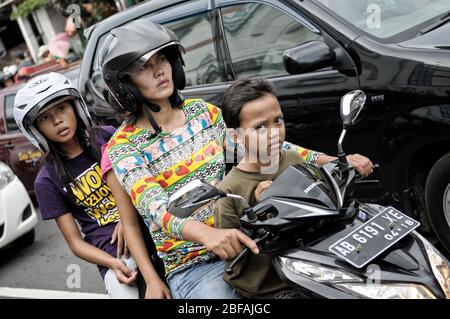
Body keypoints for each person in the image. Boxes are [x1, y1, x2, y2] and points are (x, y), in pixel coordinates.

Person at [99, 19, 373, 299]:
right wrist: (205, 237)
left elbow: (263, 146)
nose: (159, 71)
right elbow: (154, 206)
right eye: (144, 67)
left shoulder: (203, 114)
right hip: (195, 264)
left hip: (251, 238)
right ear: (125, 84)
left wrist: (330, 160)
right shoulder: (123, 147)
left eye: (162, 59)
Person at [13, 72, 169, 299]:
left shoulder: (107, 137)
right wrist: (113, 264)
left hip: (149, 223)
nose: (57, 120)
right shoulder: (46, 180)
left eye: (61, 109)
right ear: (35, 129)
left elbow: (142, 177)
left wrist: (128, 218)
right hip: (115, 254)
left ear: (75, 107)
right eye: (44, 118)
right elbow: (76, 243)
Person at [215, 78, 372, 298]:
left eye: (277, 120)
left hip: (311, 269)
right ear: (236, 137)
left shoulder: (293, 159)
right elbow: (231, 253)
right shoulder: (229, 191)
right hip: (271, 287)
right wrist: (257, 214)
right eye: (260, 127)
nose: (274, 132)